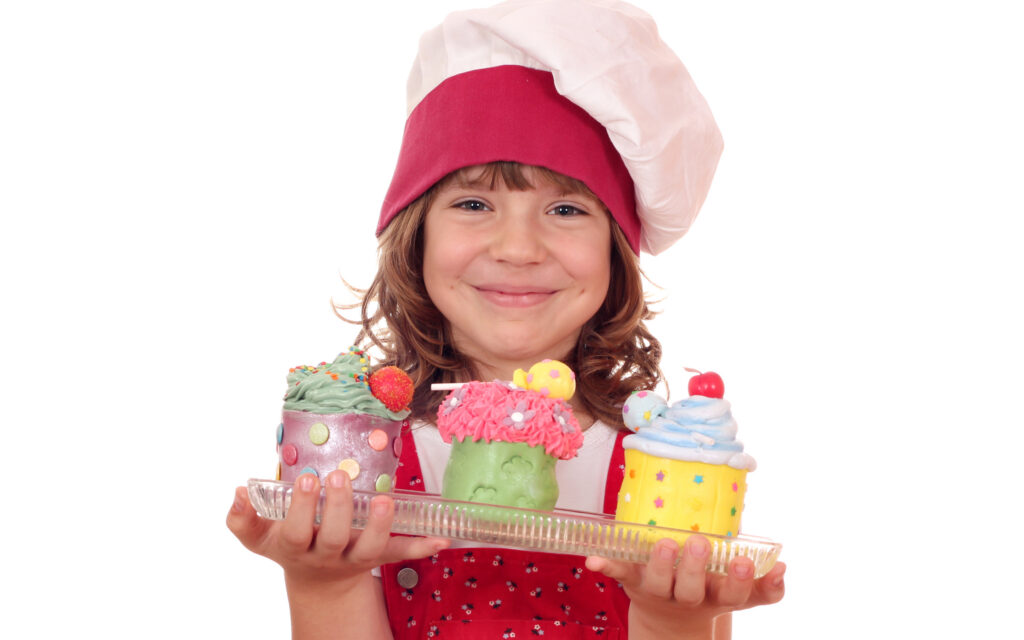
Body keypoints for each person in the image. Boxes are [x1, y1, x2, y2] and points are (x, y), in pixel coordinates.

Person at [227, 1, 786, 637]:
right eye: (472, 201)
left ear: (616, 251)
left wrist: (671, 617)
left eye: (567, 210)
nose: (518, 249)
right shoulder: (362, 455)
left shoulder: (660, 466)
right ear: (415, 237)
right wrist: (324, 581)